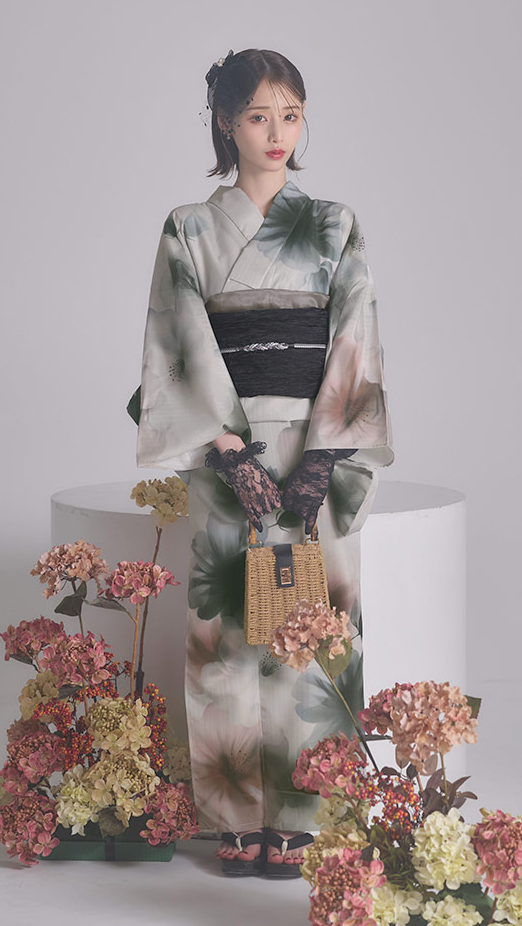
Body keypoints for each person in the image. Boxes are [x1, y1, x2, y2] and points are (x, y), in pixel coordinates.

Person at [129, 48, 394, 877]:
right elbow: (177, 340)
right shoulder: (189, 228)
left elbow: (356, 337)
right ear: (224, 123)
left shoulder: (336, 224)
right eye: (257, 115)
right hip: (229, 447)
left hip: (314, 446)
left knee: (315, 626)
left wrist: (322, 458)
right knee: (228, 635)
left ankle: (305, 808)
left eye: (291, 114)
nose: (277, 132)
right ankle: (234, 808)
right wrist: (227, 450)